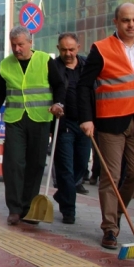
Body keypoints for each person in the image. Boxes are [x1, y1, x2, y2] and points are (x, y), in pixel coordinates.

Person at [78, 2, 134, 249]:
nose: (131, 25)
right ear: (116, 22)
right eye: (126, 20)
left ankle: (117, 212)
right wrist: (86, 118)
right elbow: (84, 85)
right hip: (110, 122)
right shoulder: (101, 49)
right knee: (111, 176)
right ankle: (109, 228)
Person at [0, 26, 65, 226]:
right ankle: (14, 209)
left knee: (36, 163)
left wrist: (58, 103)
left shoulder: (44, 60)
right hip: (15, 120)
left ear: (30, 43)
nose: (17, 49)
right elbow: (0, 91)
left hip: (40, 119)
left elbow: (59, 85)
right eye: (13, 45)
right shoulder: (6, 64)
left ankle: (29, 207)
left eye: (21, 44)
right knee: (13, 163)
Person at [50, 32, 92, 225]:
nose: (68, 53)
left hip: (85, 123)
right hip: (63, 123)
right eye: (64, 49)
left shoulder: (86, 66)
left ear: (78, 47)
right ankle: (69, 211)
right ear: (58, 49)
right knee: (65, 168)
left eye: (71, 49)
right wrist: (53, 106)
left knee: (81, 165)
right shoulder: (52, 67)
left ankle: (62, 194)